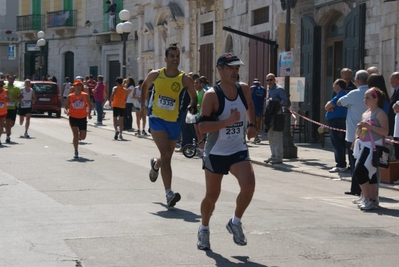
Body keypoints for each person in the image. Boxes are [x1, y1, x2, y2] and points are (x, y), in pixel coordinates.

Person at [196, 52, 257, 250]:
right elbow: (203, 127)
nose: (235, 71)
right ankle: (204, 229)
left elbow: (249, 106)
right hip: (216, 151)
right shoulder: (212, 95)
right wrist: (227, 122)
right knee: (212, 196)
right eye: (231, 68)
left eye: (237, 68)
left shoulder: (244, 89)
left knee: (248, 186)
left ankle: (235, 222)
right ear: (219, 69)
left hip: (238, 148)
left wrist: (252, 124)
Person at [141, 45, 197, 207]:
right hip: (157, 119)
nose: (175, 59)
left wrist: (192, 106)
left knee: (166, 157)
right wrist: (144, 104)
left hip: (174, 121)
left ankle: (155, 164)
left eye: (177, 56)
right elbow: (145, 84)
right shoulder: (156, 75)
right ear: (165, 59)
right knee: (166, 154)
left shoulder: (184, 79)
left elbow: (193, 97)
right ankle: (169, 193)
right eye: (172, 56)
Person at [352, 87, 388, 210]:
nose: (364, 100)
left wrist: (370, 127)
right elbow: (363, 131)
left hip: (374, 146)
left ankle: (368, 198)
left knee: (359, 171)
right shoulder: (366, 113)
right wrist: (359, 131)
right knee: (370, 174)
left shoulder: (380, 113)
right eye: (364, 98)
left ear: (375, 99)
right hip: (364, 145)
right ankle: (372, 199)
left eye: (367, 98)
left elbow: (385, 131)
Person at [337, 70, 369, 196]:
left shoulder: (354, 93)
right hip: (368, 133)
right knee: (366, 161)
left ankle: (356, 188)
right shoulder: (371, 92)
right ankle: (365, 188)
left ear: (358, 80)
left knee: (354, 161)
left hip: (354, 133)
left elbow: (340, 102)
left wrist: (349, 104)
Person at [64, 79, 92, 159]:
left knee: (83, 137)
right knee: (75, 134)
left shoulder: (85, 95)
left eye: (80, 85)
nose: (78, 87)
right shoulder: (70, 96)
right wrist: (67, 111)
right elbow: (66, 107)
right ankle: (76, 151)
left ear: (81, 87)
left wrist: (89, 114)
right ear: (74, 87)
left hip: (82, 118)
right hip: (73, 117)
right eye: (77, 86)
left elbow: (89, 104)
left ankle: (78, 138)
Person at [324, 79, 347, 172]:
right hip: (340, 121)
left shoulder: (340, 95)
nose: (333, 86)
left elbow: (327, 106)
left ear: (338, 86)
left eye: (334, 84)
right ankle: (342, 163)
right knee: (340, 143)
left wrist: (329, 108)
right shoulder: (341, 95)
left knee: (337, 143)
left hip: (336, 122)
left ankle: (340, 164)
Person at [264, 73, 287, 164]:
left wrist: (274, 101)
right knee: (270, 136)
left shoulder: (279, 89)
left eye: (271, 80)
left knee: (277, 136)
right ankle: (273, 155)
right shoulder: (269, 89)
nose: (269, 82)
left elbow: (285, 101)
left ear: (274, 80)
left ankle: (278, 157)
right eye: (267, 80)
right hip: (269, 114)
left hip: (277, 115)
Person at [4, 75, 22, 144]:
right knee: (7, 122)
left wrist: (17, 98)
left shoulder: (16, 88)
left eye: (12, 79)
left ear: (14, 80)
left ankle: (8, 128)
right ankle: (8, 136)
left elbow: (21, 97)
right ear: (8, 79)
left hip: (13, 107)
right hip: (6, 108)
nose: (11, 80)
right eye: (10, 79)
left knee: (12, 123)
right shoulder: (4, 88)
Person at [193, 76, 208, 156]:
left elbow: (206, 104)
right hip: (195, 115)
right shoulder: (196, 92)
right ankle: (201, 149)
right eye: (194, 83)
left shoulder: (204, 92)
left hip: (201, 116)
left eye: (197, 83)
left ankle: (205, 149)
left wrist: (199, 106)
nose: (195, 84)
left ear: (201, 84)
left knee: (202, 133)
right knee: (197, 133)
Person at [250, 78, 266, 144]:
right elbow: (264, 98)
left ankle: (256, 137)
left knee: (253, 123)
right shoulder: (263, 89)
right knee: (258, 123)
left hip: (253, 107)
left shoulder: (251, 88)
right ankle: (256, 136)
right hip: (260, 107)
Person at [388, 72, 399, 159]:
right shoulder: (395, 91)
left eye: (391, 79)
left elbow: (395, 107)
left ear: (397, 80)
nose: (390, 81)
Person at [0, 79, 10, 146]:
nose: (0, 87)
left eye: (1, 85)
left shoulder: (6, 91)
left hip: (3, 112)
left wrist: (7, 99)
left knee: (1, 126)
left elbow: (9, 100)